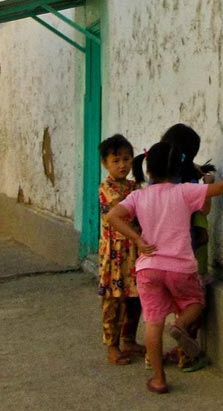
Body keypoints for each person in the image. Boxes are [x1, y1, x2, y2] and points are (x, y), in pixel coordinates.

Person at [108, 141, 223, 393]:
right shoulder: (185, 191)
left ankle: (158, 379)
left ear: (148, 170)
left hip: (148, 268)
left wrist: (137, 239)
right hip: (180, 267)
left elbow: (113, 216)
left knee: (153, 323)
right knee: (195, 304)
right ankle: (180, 325)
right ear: (179, 169)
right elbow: (222, 187)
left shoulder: (138, 195)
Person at [135, 123, 216, 371]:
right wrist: (209, 184)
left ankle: (153, 359)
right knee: (188, 305)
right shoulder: (190, 183)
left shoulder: (155, 180)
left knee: (155, 316)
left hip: (154, 257)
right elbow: (204, 209)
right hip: (186, 253)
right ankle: (186, 356)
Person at [97, 134, 145, 365]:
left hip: (134, 251)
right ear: (105, 163)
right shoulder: (107, 188)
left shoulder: (135, 186)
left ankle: (129, 339)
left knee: (136, 299)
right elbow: (125, 212)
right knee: (113, 300)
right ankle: (112, 345)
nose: (123, 165)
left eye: (127, 159)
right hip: (115, 253)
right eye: (116, 160)